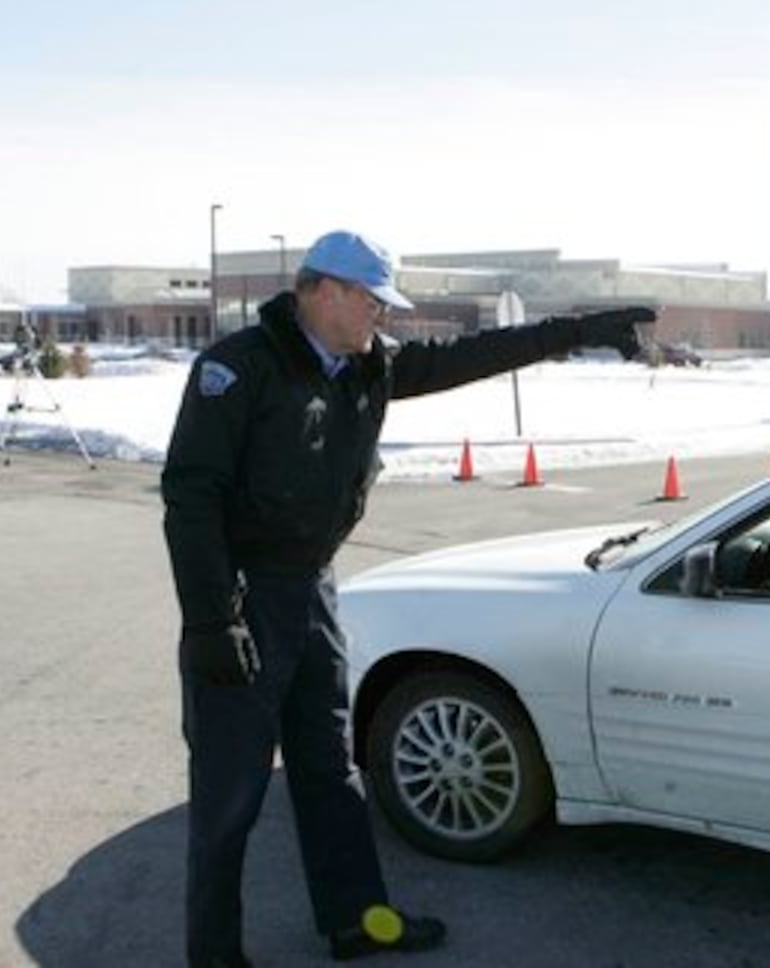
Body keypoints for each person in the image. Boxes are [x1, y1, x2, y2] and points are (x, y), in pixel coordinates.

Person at [161, 230, 654, 967]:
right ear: (321, 291)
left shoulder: (370, 366)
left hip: (313, 591)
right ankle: (214, 953)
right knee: (230, 790)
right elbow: (190, 496)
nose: (380, 319)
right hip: (242, 601)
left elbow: (474, 356)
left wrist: (579, 332)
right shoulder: (238, 369)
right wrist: (209, 620)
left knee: (329, 770)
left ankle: (357, 921)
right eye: (370, 301)